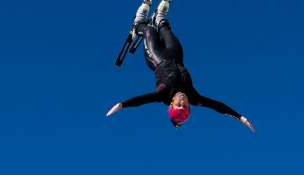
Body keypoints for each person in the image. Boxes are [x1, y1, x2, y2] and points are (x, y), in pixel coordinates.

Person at [106, 0, 254, 131]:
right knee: (165, 28)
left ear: (171, 105)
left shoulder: (162, 94)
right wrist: (240, 117)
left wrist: (121, 105)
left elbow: (142, 100)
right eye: (185, 106)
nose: (183, 102)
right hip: (176, 54)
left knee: (149, 31)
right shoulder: (194, 97)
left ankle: (138, 24)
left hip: (157, 58)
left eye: (179, 105)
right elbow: (217, 106)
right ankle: (160, 17)